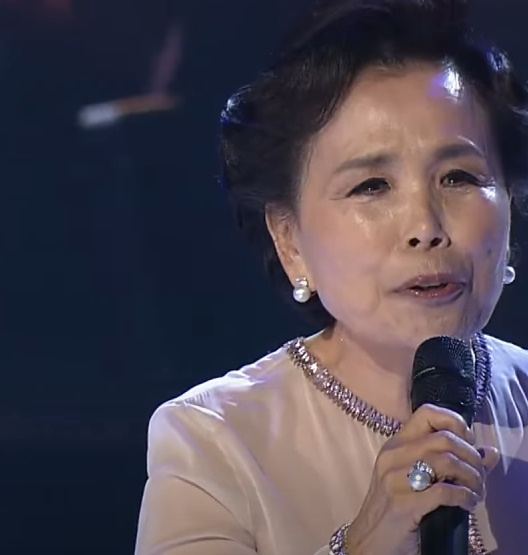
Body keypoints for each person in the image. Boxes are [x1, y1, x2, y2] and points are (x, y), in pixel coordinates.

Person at [134, 0, 528, 553]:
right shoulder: (213, 440)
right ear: (289, 240)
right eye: (371, 186)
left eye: (459, 177)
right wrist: (367, 540)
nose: (425, 228)